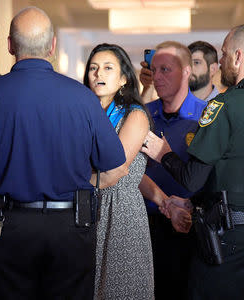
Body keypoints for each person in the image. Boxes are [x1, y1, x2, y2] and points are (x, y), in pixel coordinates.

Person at [0, 7, 126, 300]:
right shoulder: (84, 97)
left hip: (9, 228)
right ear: (52, 46)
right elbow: (114, 168)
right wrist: (70, 178)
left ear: (9, 45)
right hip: (71, 226)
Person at [142, 23, 244, 300]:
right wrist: (191, 203)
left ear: (238, 57)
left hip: (234, 239)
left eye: (224, 54)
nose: (221, 61)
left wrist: (163, 153)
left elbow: (192, 178)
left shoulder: (225, 105)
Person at [83, 43, 156, 299]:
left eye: (107, 68)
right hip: (86, 209)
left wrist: (68, 183)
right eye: (93, 68)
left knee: (120, 289)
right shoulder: (84, 114)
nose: (98, 74)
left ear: (124, 78)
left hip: (120, 211)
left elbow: (117, 170)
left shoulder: (134, 115)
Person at [138, 41, 206, 300]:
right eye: (153, 70)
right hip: (147, 225)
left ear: (187, 71)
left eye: (165, 70)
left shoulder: (204, 116)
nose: (156, 77)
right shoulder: (144, 115)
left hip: (190, 227)